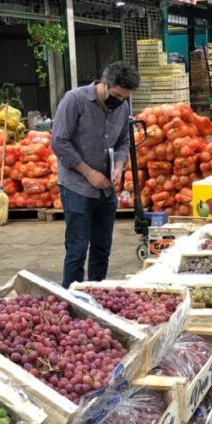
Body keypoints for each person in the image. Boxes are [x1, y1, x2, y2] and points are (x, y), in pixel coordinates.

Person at [50, 62, 140, 288]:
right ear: (104, 82)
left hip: (106, 188)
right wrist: (89, 173)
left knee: (102, 248)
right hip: (77, 186)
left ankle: (97, 295)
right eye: (117, 95)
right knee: (77, 248)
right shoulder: (75, 100)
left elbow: (123, 141)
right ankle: (71, 299)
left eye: (125, 98)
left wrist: (119, 166)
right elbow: (59, 141)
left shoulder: (122, 107)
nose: (119, 101)